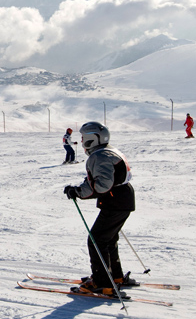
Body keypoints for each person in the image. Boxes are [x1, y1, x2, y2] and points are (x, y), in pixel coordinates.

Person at [63, 122, 135, 296]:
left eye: (83, 138)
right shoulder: (108, 151)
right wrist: (80, 190)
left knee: (96, 240)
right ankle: (115, 277)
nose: (81, 141)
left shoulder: (99, 156)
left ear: (91, 139)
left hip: (115, 201)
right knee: (108, 239)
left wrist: (77, 192)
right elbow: (100, 182)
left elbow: (101, 186)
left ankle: (103, 283)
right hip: (122, 199)